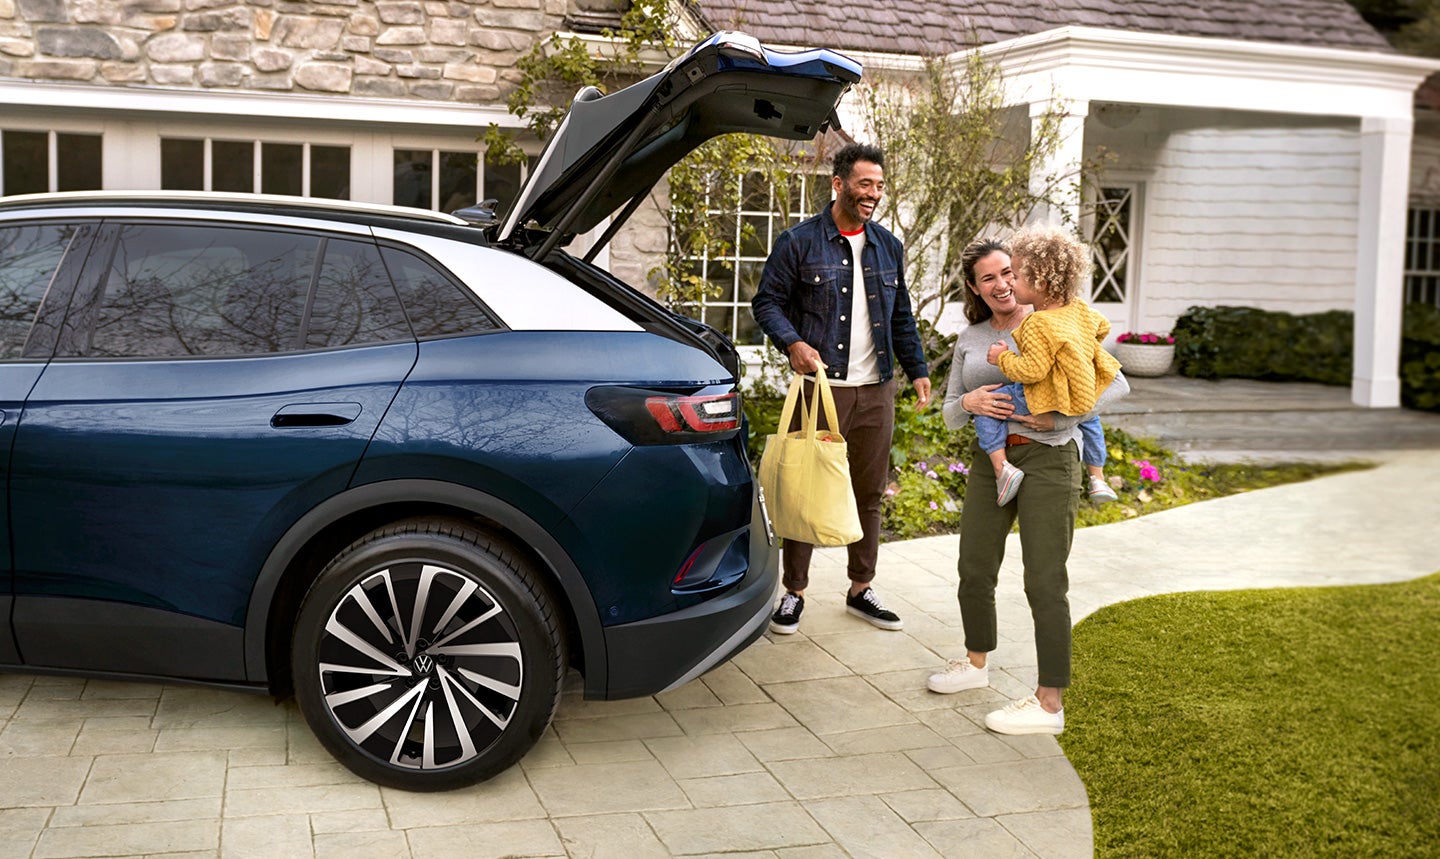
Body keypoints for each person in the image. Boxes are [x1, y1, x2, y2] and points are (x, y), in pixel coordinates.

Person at [926, 235, 1128, 735]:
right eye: (990, 277)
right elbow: (950, 412)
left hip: (1051, 460)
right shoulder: (971, 338)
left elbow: (1116, 383)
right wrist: (968, 405)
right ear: (975, 287)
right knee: (973, 566)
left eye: (1009, 272)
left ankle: (1049, 703)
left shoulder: (1060, 322)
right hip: (990, 461)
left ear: (1027, 276)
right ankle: (975, 666)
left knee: (1043, 579)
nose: (1003, 283)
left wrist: (1061, 413)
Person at [751, 143, 931, 635]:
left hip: (876, 390)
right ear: (839, 184)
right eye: (864, 184)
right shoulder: (800, 242)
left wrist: (916, 367)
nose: (873, 193)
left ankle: (860, 588)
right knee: (804, 487)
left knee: (868, 492)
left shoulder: (888, 246)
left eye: (878, 184)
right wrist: (793, 343)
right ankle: (794, 593)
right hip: (821, 389)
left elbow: (900, 315)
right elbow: (766, 303)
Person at [970, 225, 1121, 506]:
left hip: (1044, 397)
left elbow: (1032, 371)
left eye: (1015, 275)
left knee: (989, 407)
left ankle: (1003, 469)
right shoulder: (1078, 308)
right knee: (1091, 419)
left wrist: (1001, 357)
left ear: (1040, 281)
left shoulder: (1038, 322)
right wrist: (1076, 351)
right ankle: (1097, 477)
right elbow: (1103, 327)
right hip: (1080, 393)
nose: (1010, 283)